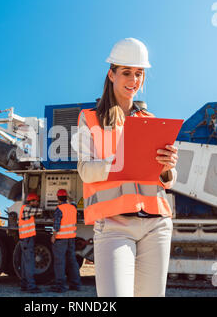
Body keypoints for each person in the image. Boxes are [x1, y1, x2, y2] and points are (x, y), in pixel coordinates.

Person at [75, 38, 178, 297]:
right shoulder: (90, 118)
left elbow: (167, 181)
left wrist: (168, 167)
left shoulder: (150, 120)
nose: (134, 80)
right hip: (113, 225)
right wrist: (120, 162)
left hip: (156, 225)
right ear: (111, 74)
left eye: (139, 73)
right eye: (127, 73)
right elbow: (85, 170)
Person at [49, 189, 82, 293]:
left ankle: (60, 286)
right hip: (71, 238)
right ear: (66, 197)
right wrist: (69, 197)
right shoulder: (73, 207)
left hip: (61, 239)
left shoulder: (59, 209)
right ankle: (76, 284)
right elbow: (73, 202)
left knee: (60, 262)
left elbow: (57, 225)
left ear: (57, 198)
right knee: (72, 261)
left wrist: (53, 236)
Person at [18, 192, 44, 293]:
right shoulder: (26, 208)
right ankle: (31, 286)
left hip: (25, 239)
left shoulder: (25, 209)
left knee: (25, 264)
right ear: (31, 201)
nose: (37, 203)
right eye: (36, 201)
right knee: (29, 264)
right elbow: (40, 211)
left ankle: (24, 285)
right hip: (27, 240)